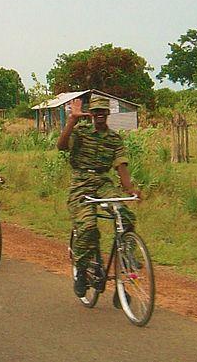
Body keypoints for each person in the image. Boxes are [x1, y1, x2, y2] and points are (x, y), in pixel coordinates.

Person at [56, 95, 140, 298]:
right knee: (88, 227)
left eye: (103, 111)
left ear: (108, 113)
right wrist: (72, 120)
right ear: (91, 114)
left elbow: (120, 163)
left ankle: (126, 259)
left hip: (103, 183)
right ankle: (82, 271)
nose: (100, 114)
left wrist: (130, 189)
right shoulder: (81, 132)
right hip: (81, 184)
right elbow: (61, 146)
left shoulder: (114, 139)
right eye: (96, 111)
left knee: (124, 214)